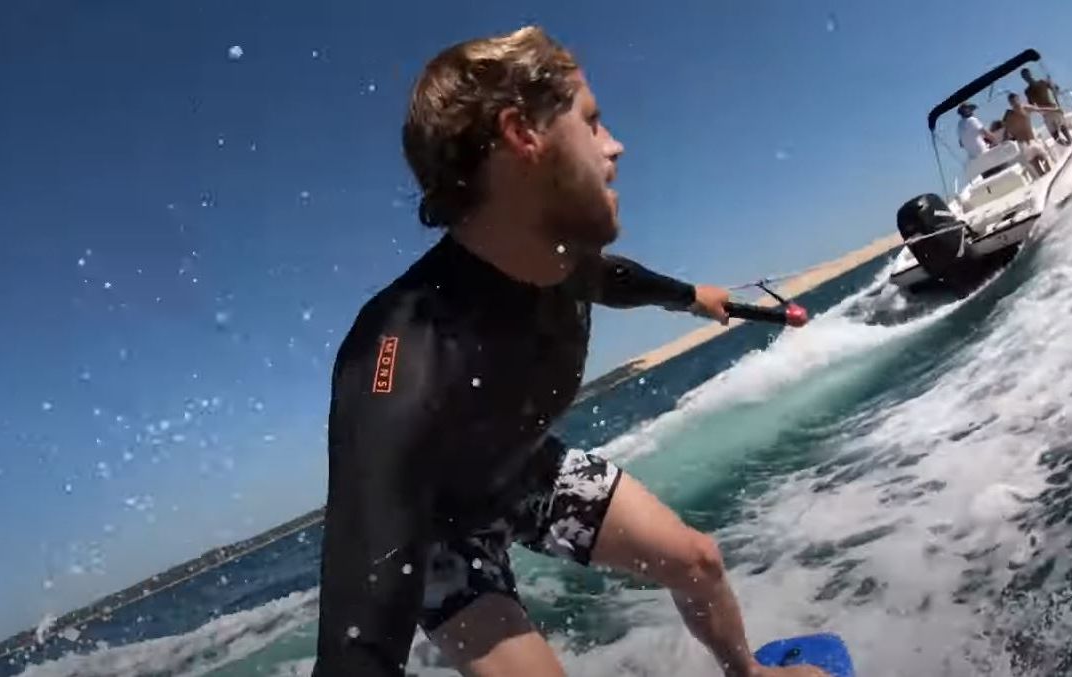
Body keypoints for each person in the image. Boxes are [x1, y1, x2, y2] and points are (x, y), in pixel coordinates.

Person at [311, 26, 826, 677]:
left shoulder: (564, 261)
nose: (616, 145)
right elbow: (360, 626)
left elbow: (616, 277)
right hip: (441, 535)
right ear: (523, 134)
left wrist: (696, 295)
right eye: (592, 121)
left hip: (528, 473)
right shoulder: (398, 352)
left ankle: (750, 674)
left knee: (698, 560)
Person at [1002, 93, 1057, 177]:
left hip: (1032, 140)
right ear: (1010, 103)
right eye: (1012, 102)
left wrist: (1054, 109)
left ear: (1018, 99)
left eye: (1015, 100)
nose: (1014, 103)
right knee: (1037, 166)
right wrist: (1004, 140)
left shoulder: (1025, 108)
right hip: (1023, 144)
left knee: (1045, 159)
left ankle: (1049, 176)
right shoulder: (1009, 115)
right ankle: (1044, 177)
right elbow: (1006, 129)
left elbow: (1039, 109)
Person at [1021, 67, 1072, 145]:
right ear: (1023, 79)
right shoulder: (1028, 91)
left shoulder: (1042, 82)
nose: (1027, 77)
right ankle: (1067, 145)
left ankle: (1070, 142)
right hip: (1045, 113)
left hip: (1053, 108)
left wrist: (1052, 85)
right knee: (1055, 135)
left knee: (1063, 128)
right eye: (1025, 76)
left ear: (1031, 74)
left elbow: (1056, 89)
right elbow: (1031, 104)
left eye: (1027, 75)